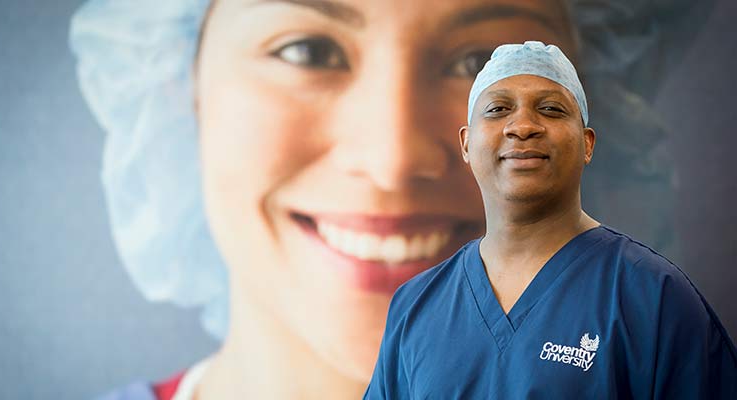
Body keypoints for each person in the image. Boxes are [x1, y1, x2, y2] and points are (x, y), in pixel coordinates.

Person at [69, 1, 713, 399]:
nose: (393, 161)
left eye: (476, 62)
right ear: (181, 89)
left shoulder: (658, 311)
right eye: (307, 50)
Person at [364, 41, 737, 399]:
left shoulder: (654, 298)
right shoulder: (416, 306)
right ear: (466, 143)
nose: (523, 126)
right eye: (497, 109)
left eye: (551, 109)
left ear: (587, 143)